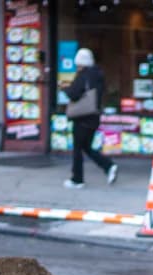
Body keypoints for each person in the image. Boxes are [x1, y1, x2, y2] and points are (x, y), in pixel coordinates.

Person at [61, 48, 118, 189]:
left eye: (78, 64)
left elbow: (74, 94)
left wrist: (64, 88)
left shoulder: (83, 75)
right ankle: (108, 166)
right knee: (86, 147)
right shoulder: (98, 75)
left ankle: (77, 179)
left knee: (78, 149)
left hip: (82, 118)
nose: (77, 66)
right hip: (94, 117)